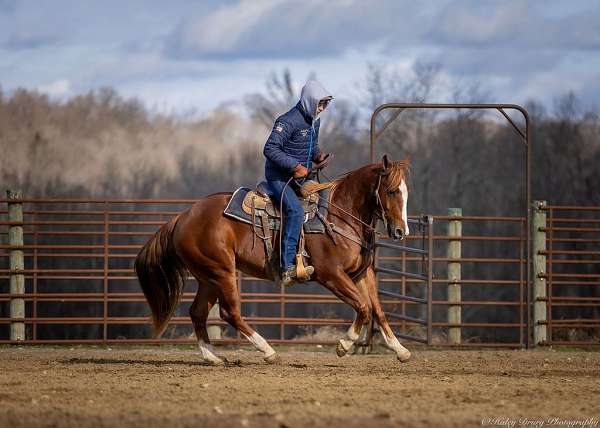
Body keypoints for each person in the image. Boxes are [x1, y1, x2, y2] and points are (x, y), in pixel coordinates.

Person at [263, 80, 333, 287]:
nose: (322, 109)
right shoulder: (288, 121)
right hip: (279, 178)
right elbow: (270, 149)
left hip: (299, 178)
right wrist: (294, 166)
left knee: (327, 197)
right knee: (295, 212)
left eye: (325, 105)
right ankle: (287, 267)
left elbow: (309, 146)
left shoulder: (314, 121)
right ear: (309, 100)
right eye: (320, 104)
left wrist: (318, 156)